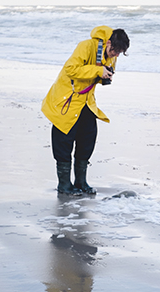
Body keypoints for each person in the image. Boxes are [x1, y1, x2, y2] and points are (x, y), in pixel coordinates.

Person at [42, 26, 130, 195]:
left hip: (86, 102)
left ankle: (81, 182)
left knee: (88, 139)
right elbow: (71, 69)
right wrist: (98, 70)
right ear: (108, 42)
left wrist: (103, 77)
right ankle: (64, 185)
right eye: (115, 50)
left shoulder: (111, 55)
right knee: (63, 141)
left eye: (120, 53)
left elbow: (94, 76)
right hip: (66, 99)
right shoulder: (86, 46)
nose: (116, 55)